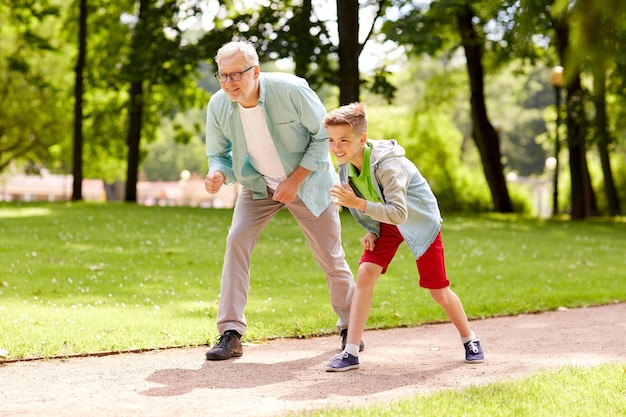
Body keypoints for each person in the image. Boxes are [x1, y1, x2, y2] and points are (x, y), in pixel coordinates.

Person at [204, 41, 361, 361]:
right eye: (223, 75)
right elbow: (218, 154)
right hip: (257, 185)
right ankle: (230, 333)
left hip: (309, 182)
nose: (230, 83)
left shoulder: (292, 90)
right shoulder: (219, 105)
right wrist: (217, 173)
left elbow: (323, 138)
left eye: (237, 74)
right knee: (236, 240)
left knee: (330, 256)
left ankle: (350, 327)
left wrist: (294, 180)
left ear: (256, 71)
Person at [323, 102, 484, 372]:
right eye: (330, 140)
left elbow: (398, 212)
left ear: (362, 139)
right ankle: (350, 352)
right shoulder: (346, 164)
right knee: (365, 274)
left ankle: (470, 339)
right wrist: (372, 229)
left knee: (438, 290)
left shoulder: (387, 165)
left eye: (343, 140)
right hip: (386, 220)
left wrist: (359, 205)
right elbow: (372, 199)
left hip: (418, 221)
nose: (336, 147)